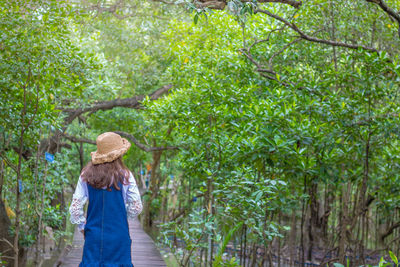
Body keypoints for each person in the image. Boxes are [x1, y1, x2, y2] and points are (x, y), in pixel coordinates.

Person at [69, 132, 143, 266]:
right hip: (119, 235)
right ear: (119, 154)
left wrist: (82, 227)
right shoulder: (126, 175)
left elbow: (75, 209)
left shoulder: (86, 175)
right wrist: (121, 214)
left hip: (93, 236)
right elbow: (136, 207)